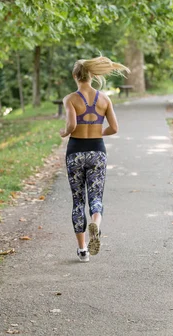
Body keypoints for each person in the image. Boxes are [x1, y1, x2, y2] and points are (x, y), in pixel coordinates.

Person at [59, 56, 130, 262]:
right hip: (97, 152)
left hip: (75, 151)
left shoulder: (70, 99)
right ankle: (96, 224)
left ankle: (82, 251)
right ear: (92, 75)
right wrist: (98, 133)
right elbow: (115, 128)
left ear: (75, 76)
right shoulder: (104, 99)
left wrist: (65, 133)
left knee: (78, 200)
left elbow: (72, 125)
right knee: (96, 197)